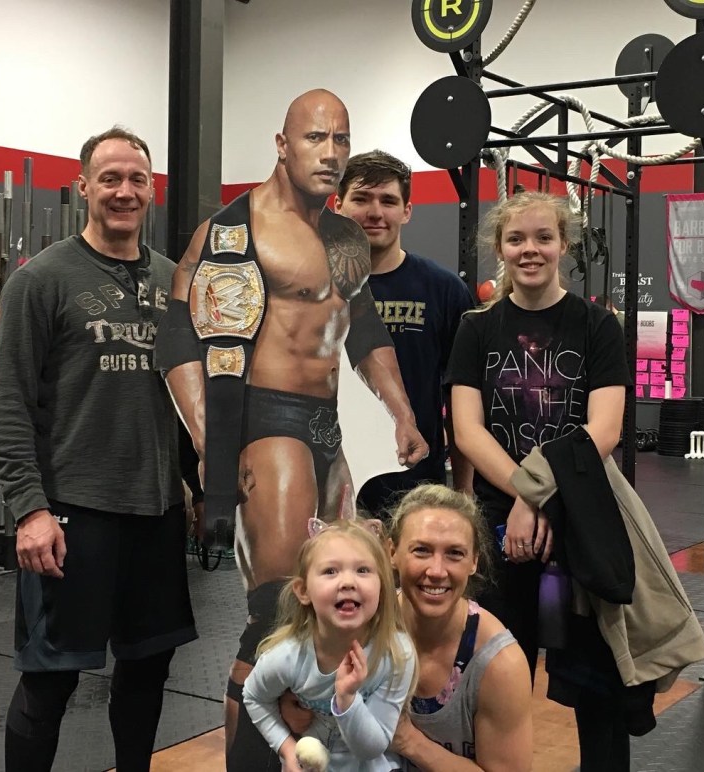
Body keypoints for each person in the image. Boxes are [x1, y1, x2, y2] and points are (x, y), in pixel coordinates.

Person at [155, 88, 428, 769]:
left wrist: (401, 411)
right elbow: (178, 339)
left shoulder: (344, 237)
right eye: (315, 138)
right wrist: (210, 443)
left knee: (331, 611)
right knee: (276, 610)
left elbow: (362, 328)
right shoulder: (235, 229)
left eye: (341, 140)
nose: (330, 154)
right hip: (264, 421)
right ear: (282, 145)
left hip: (326, 427)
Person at [0, 126, 197, 772]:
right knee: (50, 681)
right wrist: (29, 509)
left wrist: (191, 481)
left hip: (156, 512)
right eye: (110, 179)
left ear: (151, 190)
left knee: (148, 670)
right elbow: (8, 403)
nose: (124, 191)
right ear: (84, 187)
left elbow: (185, 396)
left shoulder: (175, 282)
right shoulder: (42, 280)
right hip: (73, 513)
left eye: (137, 179)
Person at [447, 191, 630, 678]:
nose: (530, 249)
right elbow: (467, 431)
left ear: (563, 244)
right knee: (501, 668)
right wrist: (525, 496)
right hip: (498, 519)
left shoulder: (597, 326)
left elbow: (605, 429)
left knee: (593, 676)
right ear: (500, 248)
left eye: (543, 237)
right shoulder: (476, 328)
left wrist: (536, 498)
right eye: (516, 239)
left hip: (579, 510)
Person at [334, 150, 474, 515]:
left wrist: (463, 491)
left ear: (407, 211)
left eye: (388, 201)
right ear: (337, 206)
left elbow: (461, 403)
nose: (375, 212)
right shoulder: (308, 289)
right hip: (329, 487)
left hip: (416, 489)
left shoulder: (444, 290)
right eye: (361, 199)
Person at [243, 517, 416, 772]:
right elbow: (254, 696)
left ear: (382, 587)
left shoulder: (396, 654)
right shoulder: (287, 657)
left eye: (363, 570)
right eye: (330, 571)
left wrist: (347, 698)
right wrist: (287, 749)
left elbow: (372, 747)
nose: (348, 582)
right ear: (303, 591)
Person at [388, 484, 533, 771]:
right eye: (421, 550)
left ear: (474, 562)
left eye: (454, 553)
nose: (436, 571)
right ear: (392, 552)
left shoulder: (500, 664)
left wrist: (409, 742)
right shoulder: (363, 624)